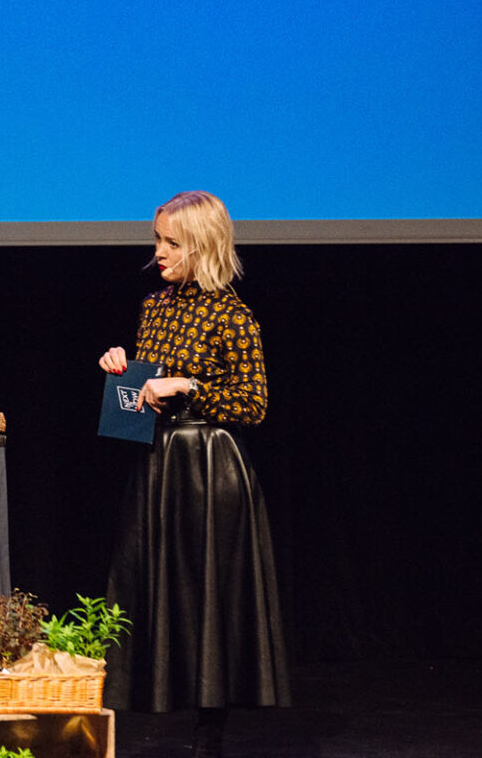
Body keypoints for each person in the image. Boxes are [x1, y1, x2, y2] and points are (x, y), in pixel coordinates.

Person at [97, 190, 289, 758]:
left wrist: (189, 387)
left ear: (201, 246)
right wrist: (123, 370)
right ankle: (159, 708)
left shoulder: (233, 315)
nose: (159, 252)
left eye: (172, 242)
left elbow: (253, 404)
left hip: (209, 468)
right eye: (157, 239)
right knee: (160, 592)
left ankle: (210, 733)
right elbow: (143, 392)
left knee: (208, 597)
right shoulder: (154, 306)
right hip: (159, 467)